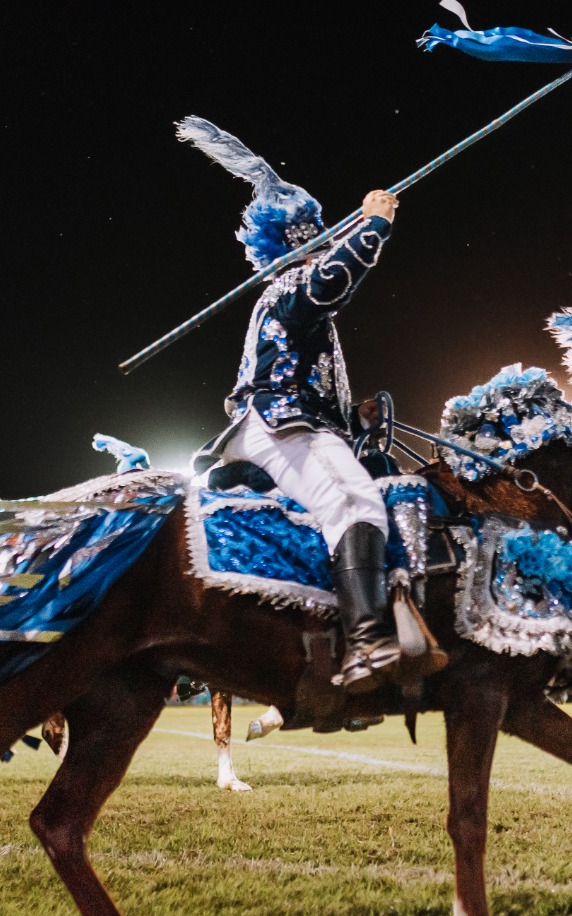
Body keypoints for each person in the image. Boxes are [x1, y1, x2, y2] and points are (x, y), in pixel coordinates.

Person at [178, 116, 419, 695]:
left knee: (380, 487)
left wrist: (350, 418)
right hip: (279, 424)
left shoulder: (288, 294)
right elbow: (330, 282)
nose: (324, 235)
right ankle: (366, 644)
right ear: (291, 240)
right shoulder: (290, 288)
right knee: (355, 502)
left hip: (301, 420)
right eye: (313, 230)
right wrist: (373, 229)